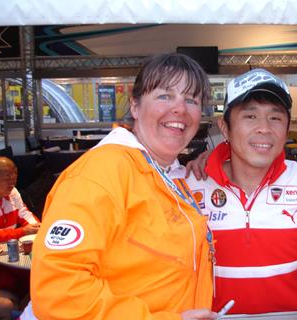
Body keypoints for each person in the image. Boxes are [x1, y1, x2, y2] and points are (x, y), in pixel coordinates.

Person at [30, 53, 218, 320]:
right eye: (165, 96)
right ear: (135, 105)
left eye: (191, 100)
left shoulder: (170, 174)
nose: (180, 109)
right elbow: (60, 292)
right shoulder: (101, 173)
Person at [185, 69, 297, 314]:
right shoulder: (188, 186)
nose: (264, 128)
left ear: (287, 129)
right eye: (250, 116)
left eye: (275, 118)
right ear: (224, 128)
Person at [0, 156, 40, 242]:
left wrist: (36, 226)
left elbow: (24, 214)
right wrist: (22, 232)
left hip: (9, 244)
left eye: (14, 179)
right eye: (7, 179)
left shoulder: (13, 192)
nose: (12, 184)